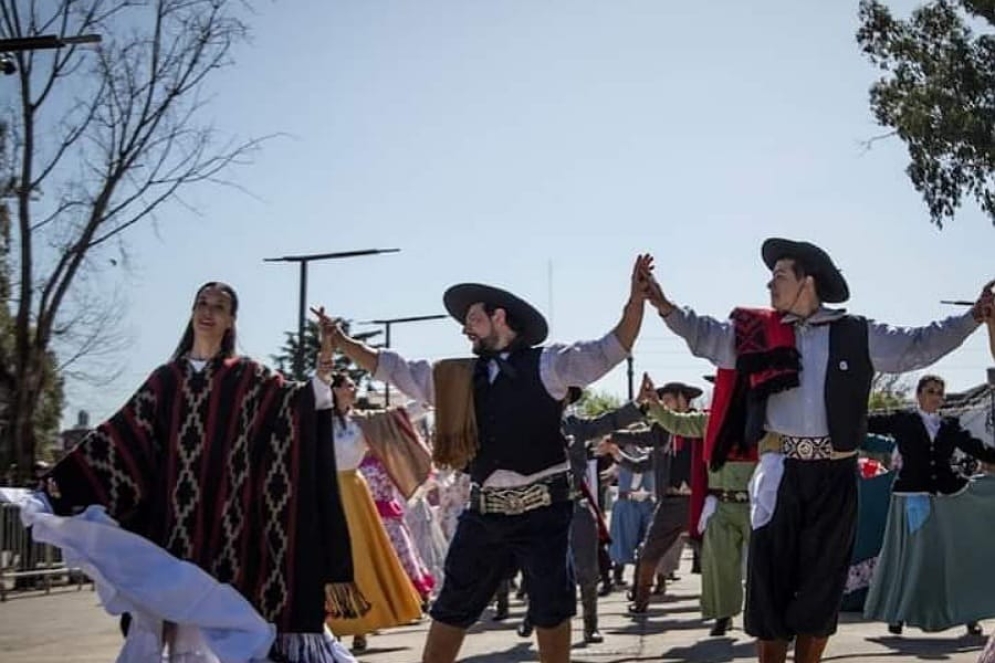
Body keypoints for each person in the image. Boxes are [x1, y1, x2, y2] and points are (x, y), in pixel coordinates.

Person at [642, 238, 993, 663]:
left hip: (835, 476)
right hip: (781, 472)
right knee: (769, 584)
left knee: (822, 583)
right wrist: (664, 305)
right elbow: (706, 336)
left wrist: (974, 317)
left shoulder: (856, 332)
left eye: (779, 276)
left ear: (807, 282)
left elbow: (920, 344)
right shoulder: (758, 333)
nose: (769, 284)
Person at [318, 254, 653, 663]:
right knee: (451, 607)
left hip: (545, 512)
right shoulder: (456, 376)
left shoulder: (549, 363)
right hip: (485, 513)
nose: (464, 329)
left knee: (552, 607)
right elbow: (394, 369)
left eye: (472, 319)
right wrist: (343, 342)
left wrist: (635, 302)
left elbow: (610, 350)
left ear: (499, 317)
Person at [29, 282, 365, 662]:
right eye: (202, 304)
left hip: (231, 532)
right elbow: (120, 436)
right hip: (172, 527)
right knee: (171, 624)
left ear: (231, 321)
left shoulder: (248, 378)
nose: (208, 312)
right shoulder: (165, 380)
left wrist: (321, 374)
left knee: (226, 628)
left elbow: (296, 405)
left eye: (219, 307)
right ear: (192, 313)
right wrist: (58, 486)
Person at [864, 375, 995, 635]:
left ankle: (967, 614)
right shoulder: (903, 420)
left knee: (955, 556)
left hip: (947, 495)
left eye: (939, 392)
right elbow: (865, 423)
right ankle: (897, 615)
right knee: (910, 558)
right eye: (931, 391)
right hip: (911, 496)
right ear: (919, 394)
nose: (936, 396)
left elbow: (976, 447)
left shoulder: (949, 425)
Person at [325, 374, 428, 653]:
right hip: (326, 494)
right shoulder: (316, 420)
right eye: (347, 385)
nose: (353, 388)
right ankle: (332, 626)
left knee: (363, 558)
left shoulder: (364, 422)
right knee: (331, 559)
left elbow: (402, 418)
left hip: (356, 493)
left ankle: (363, 626)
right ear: (333, 390)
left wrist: (430, 399)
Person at [608, 381, 700, 614]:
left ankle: (721, 611)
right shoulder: (660, 430)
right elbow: (640, 440)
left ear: (682, 399)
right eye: (662, 401)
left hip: (700, 501)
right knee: (648, 552)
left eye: (668, 400)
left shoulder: (701, 423)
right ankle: (640, 600)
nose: (663, 405)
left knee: (714, 557)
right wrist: (611, 434)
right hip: (670, 502)